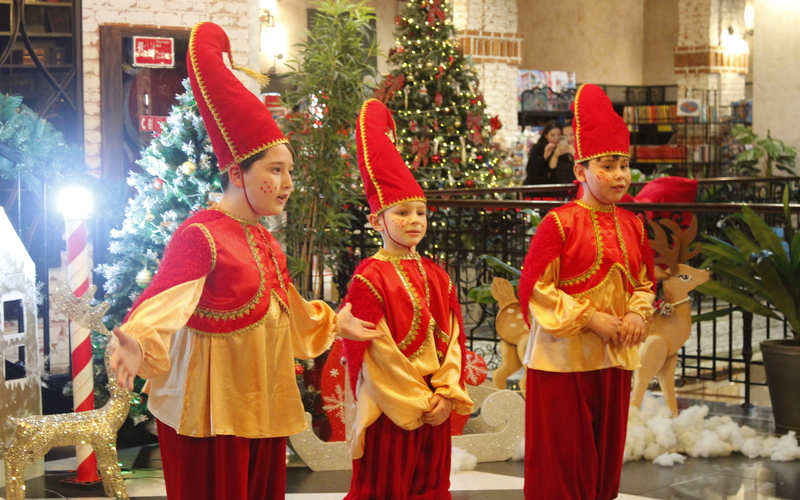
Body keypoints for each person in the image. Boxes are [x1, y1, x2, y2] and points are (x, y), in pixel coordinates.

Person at [108, 22, 381, 500]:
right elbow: (164, 299)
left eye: (289, 170)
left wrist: (336, 323)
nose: (288, 182)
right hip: (210, 413)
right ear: (237, 171)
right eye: (275, 170)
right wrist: (137, 340)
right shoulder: (202, 233)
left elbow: (289, 308)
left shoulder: (263, 239)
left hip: (261, 405)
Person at [517, 84, 656, 500]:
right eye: (608, 166)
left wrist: (636, 315)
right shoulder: (559, 224)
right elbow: (536, 290)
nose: (619, 176)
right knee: (563, 461)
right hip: (563, 359)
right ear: (581, 172)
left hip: (614, 357)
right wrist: (590, 318)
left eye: (624, 166)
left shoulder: (633, 224)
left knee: (604, 458)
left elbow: (644, 283)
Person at [341, 99, 474, 500]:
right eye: (402, 213)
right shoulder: (370, 276)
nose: (415, 220)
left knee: (430, 485)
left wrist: (446, 394)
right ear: (377, 220)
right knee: (387, 486)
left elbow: (453, 341)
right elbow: (373, 350)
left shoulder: (437, 274)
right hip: (391, 408)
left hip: (435, 404)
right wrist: (415, 400)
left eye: (420, 212)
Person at [523, 120, 561, 185]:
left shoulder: (563, 149)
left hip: (555, 188)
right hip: (537, 187)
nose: (556, 138)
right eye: (552, 135)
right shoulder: (538, 147)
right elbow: (530, 170)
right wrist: (544, 157)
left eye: (559, 135)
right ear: (546, 136)